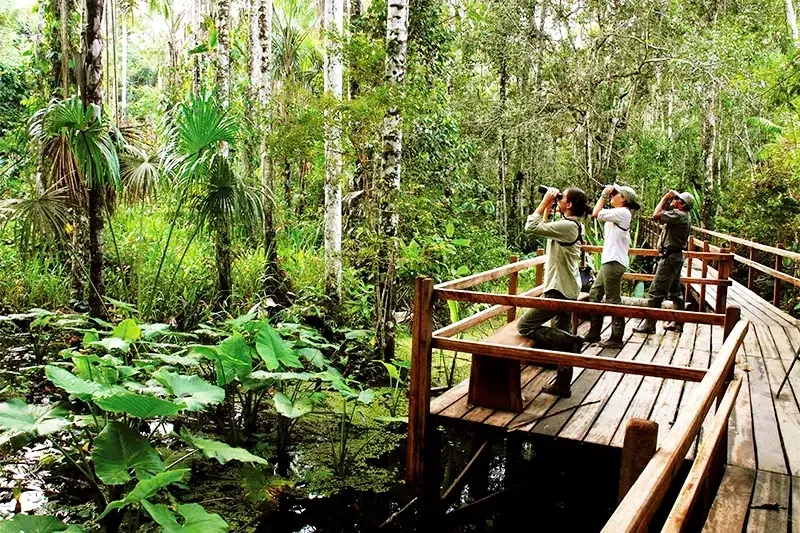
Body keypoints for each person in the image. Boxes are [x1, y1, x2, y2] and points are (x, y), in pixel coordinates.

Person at [517, 186, 591, 398]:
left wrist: (545, 202)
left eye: (562, 198)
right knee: (560, 339)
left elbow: (531, 226)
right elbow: (544, 226)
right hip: (568, 289)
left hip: (558, 291)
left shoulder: (568, 226)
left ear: (568, 205)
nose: (559, 199)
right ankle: (562, 385)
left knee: (525, 326)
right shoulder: (573, 225)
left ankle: (572, 340)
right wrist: (550, 204)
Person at [584, 183, 640, 348]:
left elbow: (596, 213)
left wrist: (603, 195)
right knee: (594, 294)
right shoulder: (619, 213)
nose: (612, 195)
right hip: (609, 261)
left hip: (614, 262)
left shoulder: (622, 213)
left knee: (613, 300)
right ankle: (594, 333)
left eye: (615, 193)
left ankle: (616, 337)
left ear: (623, 199)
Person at [633, 189, 695, 334]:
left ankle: (649, 324)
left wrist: (664, 198)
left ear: (682, 204)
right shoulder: (683, 215)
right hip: (675, 257)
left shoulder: (679, 215)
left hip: (669, 259)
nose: (674, 200)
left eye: (677, 199)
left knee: (655, 293)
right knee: (675, 292)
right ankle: (678, 322)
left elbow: (656, 215)